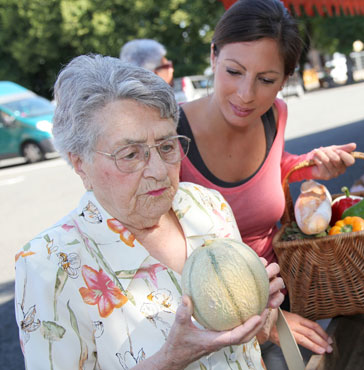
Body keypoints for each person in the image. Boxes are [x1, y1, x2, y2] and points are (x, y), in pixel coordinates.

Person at [14, 54, 286, 370]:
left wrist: (258, 315)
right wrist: (170, 360)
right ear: (79, 163)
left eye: (167, 146)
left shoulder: (207, 205)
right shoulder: (48, 265)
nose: (158, 170)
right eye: (131, 154)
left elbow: (246, 348)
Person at [177, 0, 355, 367]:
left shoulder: (275, 115)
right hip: (206, 327)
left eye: (266, 80)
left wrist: (308, 168)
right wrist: (263, 323)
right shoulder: (169, 136)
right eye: (234, 71)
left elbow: (272, 170)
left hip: (280, 297)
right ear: (213, 56)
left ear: (285, 80)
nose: (246, 94)